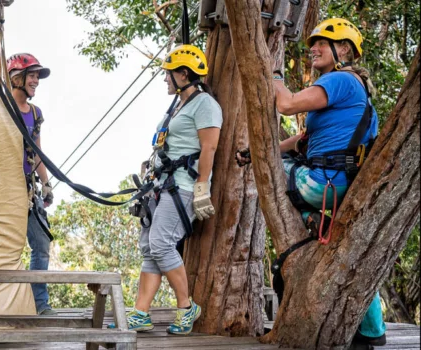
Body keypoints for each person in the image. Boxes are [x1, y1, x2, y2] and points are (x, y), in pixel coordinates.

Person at [250, 18, 385, 346]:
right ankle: (372, 333)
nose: (314, 48)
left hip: (321, 184)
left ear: (344, 50)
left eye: (322, 43)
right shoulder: (354, 88)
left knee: (268, 174)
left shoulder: (340, 79)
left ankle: (312, 219)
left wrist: (275, 77)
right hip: (339, 183)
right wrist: (253, 152)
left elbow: (286, 104)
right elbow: (302, 139)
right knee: (352, 255)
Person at [119, 44, 221, 335]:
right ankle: (140, 313)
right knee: (151, 247)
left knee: (162, 243)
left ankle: (186, 307)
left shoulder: (206, 105)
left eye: (168, 74)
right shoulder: (177, 105)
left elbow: (209, 147)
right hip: (162, 184)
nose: (165, 79)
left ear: (184, 74)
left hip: (185, 186)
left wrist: (202, 186)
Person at [7, 53, 56, 316]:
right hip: (5, 190)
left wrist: (46, 184)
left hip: (27, 189)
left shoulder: (35, 113)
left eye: (38, 75)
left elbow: (37, 151)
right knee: (4, 246)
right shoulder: (2, 107)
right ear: (17, 78)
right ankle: (8, 303)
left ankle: (40, 304)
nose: (36, 80)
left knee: (41, 244)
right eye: (32, 75)